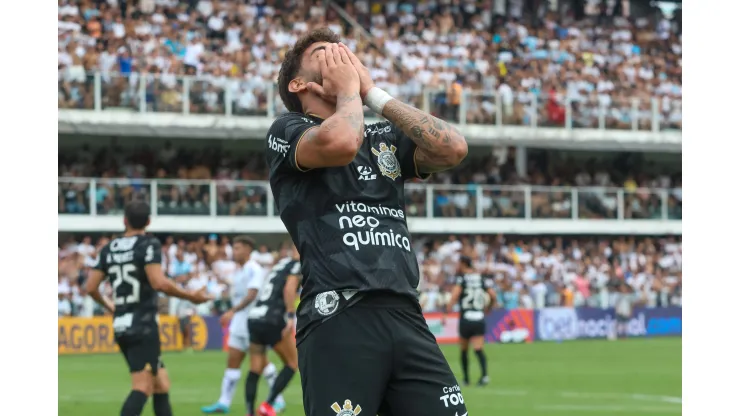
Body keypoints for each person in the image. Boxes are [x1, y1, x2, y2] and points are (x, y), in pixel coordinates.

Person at [265, 28, 469, 416]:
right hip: (339, 315)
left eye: (344, 53)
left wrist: (373, 94)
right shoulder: (288, 130)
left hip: (406, 313)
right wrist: (346, 92)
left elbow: (453, 148)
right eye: (326, 55)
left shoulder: (384, 137)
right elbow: (341, 143)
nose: (341, 58)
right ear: (299, 83)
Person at [85, 201, 212, 416]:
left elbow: (90, 287)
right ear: (149, 222)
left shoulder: (109, 249)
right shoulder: (148, 244)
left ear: (124, 221)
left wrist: (109, 306)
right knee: (142, 386)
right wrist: (192, 296)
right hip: (142, 325)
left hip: (122, 324)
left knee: (161, 383)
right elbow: (159, 283)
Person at [201, 236, 286, 414]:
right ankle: (223, 403)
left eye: (238, 248)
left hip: (252, 320)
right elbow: (238, 294)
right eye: (234, 248)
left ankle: (277, 400)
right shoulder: (239, 270)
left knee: (262, 362)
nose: (235, 251)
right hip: (239, 323)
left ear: (248, 249)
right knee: (233, 360)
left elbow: (252, 294)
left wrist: (233, 310)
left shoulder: (253, 269)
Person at [245, 244, 302, 416]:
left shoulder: (280, 264)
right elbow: (289, 288)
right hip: (272, 318)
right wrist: (291, 316)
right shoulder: (297, 265)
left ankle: (250, 412)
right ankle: (268, 404)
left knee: (255, 368)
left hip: (255, 316)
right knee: (292, 363)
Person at [444, 256, 498, 386]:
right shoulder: (481, 278)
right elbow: (493, 295)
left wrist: (446, 312)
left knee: (464, 349)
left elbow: (455, 296)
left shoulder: (461, 279)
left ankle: (466, 379)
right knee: (478, 349)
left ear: (463, 264)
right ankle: (484, 376)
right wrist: (489, 307)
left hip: (466, 318)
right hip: (479, 317)